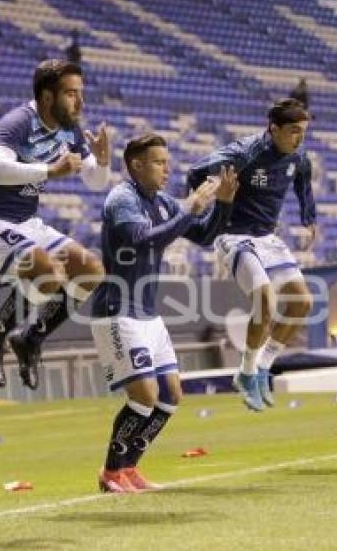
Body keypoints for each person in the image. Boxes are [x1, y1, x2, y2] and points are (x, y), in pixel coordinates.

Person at [91, 133, 236, 492]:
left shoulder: (162, 201)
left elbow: (202, 236)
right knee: (144, 396)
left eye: (167, 162)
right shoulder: (122, 199)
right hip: (118, 310)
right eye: (159, 162)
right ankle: (110, 473)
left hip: (148, 313)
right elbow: (145, 240)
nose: (167, 168)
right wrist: (190, 207)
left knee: (170, 394)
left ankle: (129, 469)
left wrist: (225, 205)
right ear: (137, 165)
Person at [0, 59, 110, 390]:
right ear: (47, 97)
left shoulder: (68, 129)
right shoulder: (18, 121)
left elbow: (97, 182)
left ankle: (30, 337)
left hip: (26, 222)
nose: (80, 102)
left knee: (90, 271)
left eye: (80, 93)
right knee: (50, 274)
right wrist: (49, 171)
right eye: (71, 94)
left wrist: (102, 160)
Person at [188, 98, 316, 412]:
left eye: (303, 132)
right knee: (266, 300)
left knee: (303, 303)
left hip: (267, 238)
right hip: (233, 234)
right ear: (273, 129)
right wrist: (209, 203)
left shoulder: (298, 158)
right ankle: (245, 373)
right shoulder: (244, 154)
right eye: (293, 131)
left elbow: (304, 181)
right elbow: (195, 172)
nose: (299, 138)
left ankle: (263, 366)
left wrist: (309, 217)